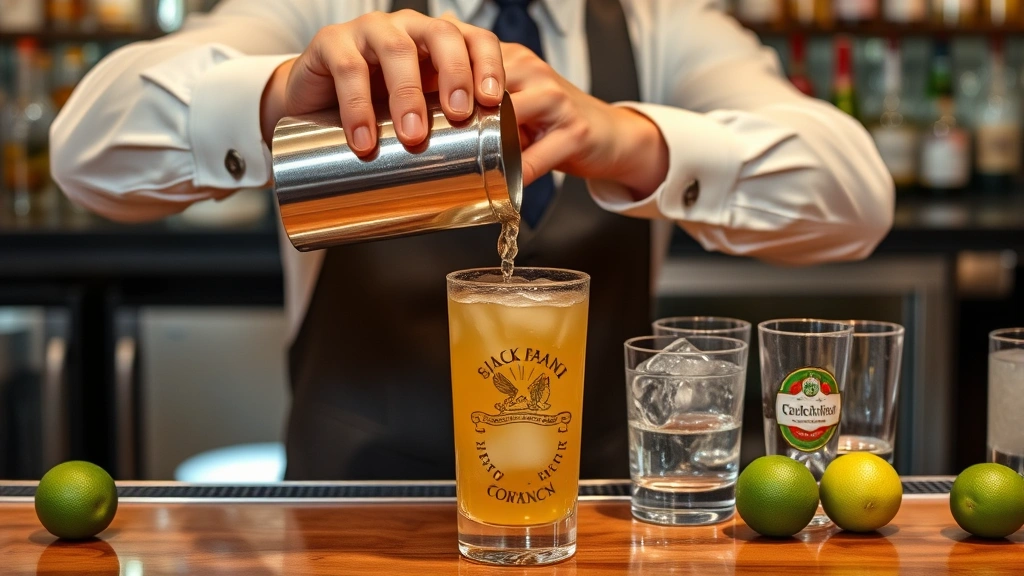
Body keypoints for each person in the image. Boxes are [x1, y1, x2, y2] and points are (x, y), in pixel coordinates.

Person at [50, 0, 894, 480]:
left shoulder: (657, 23)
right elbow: (87, 154)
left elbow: (857, 197)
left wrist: (636, 142)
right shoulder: (322, 7)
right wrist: (276, 96)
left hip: (590, 521)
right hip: (350, 523)